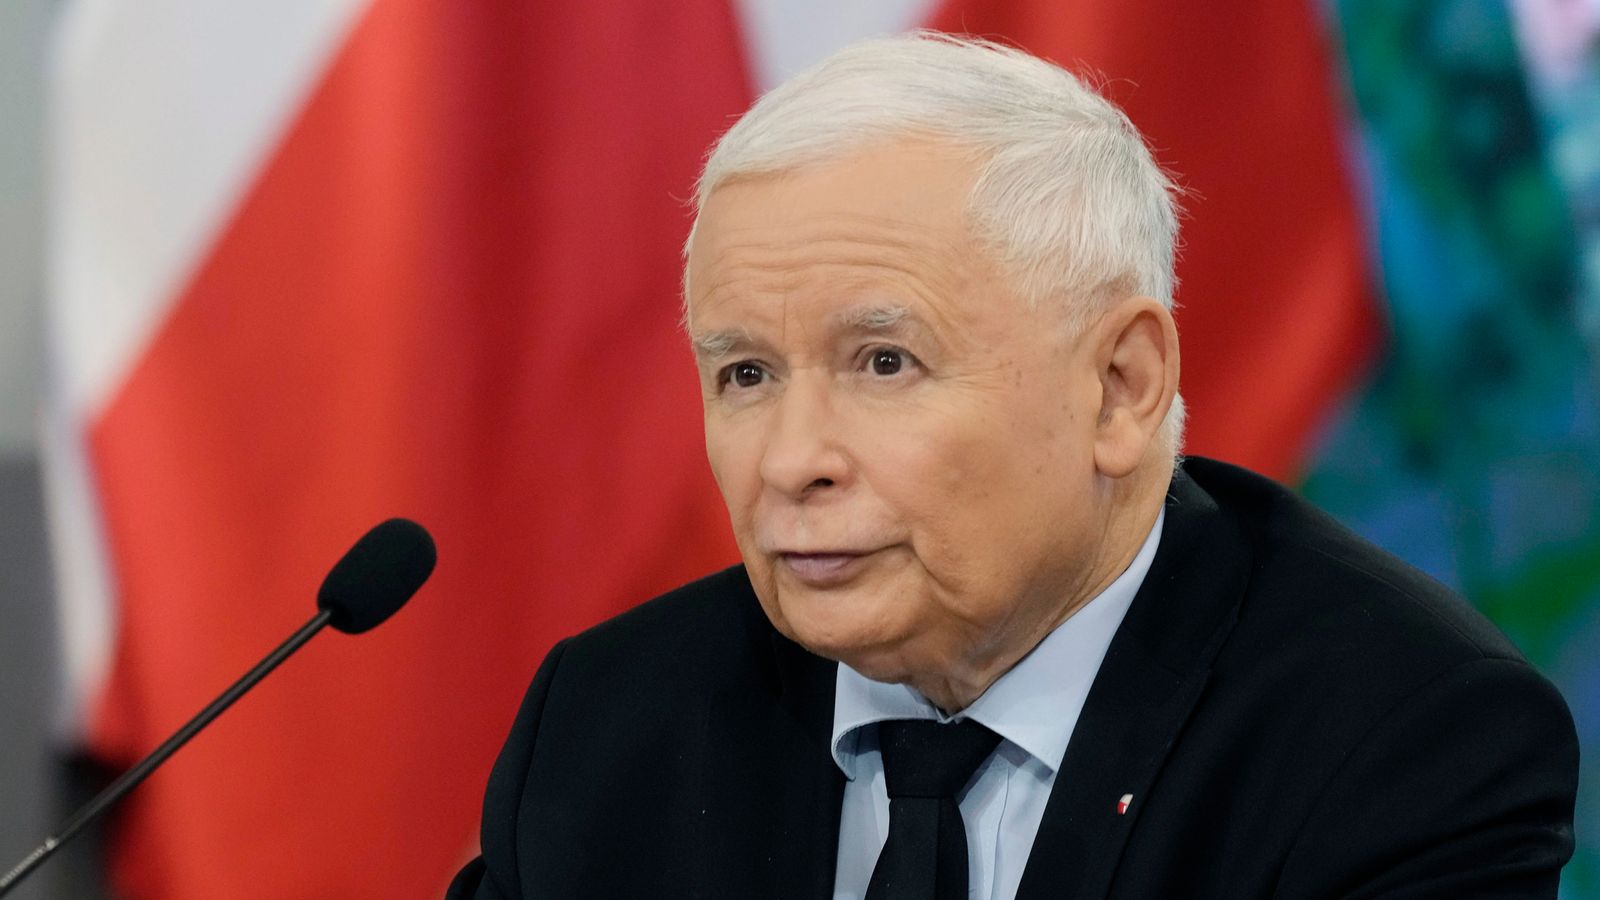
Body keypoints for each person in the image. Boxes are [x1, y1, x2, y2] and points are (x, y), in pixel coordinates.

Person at [447, 33, 1579, 899]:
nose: (790, 462)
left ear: (1119, 387)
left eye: (884, 362)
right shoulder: (609, 726)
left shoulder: (1397, 740)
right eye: (745, 374)